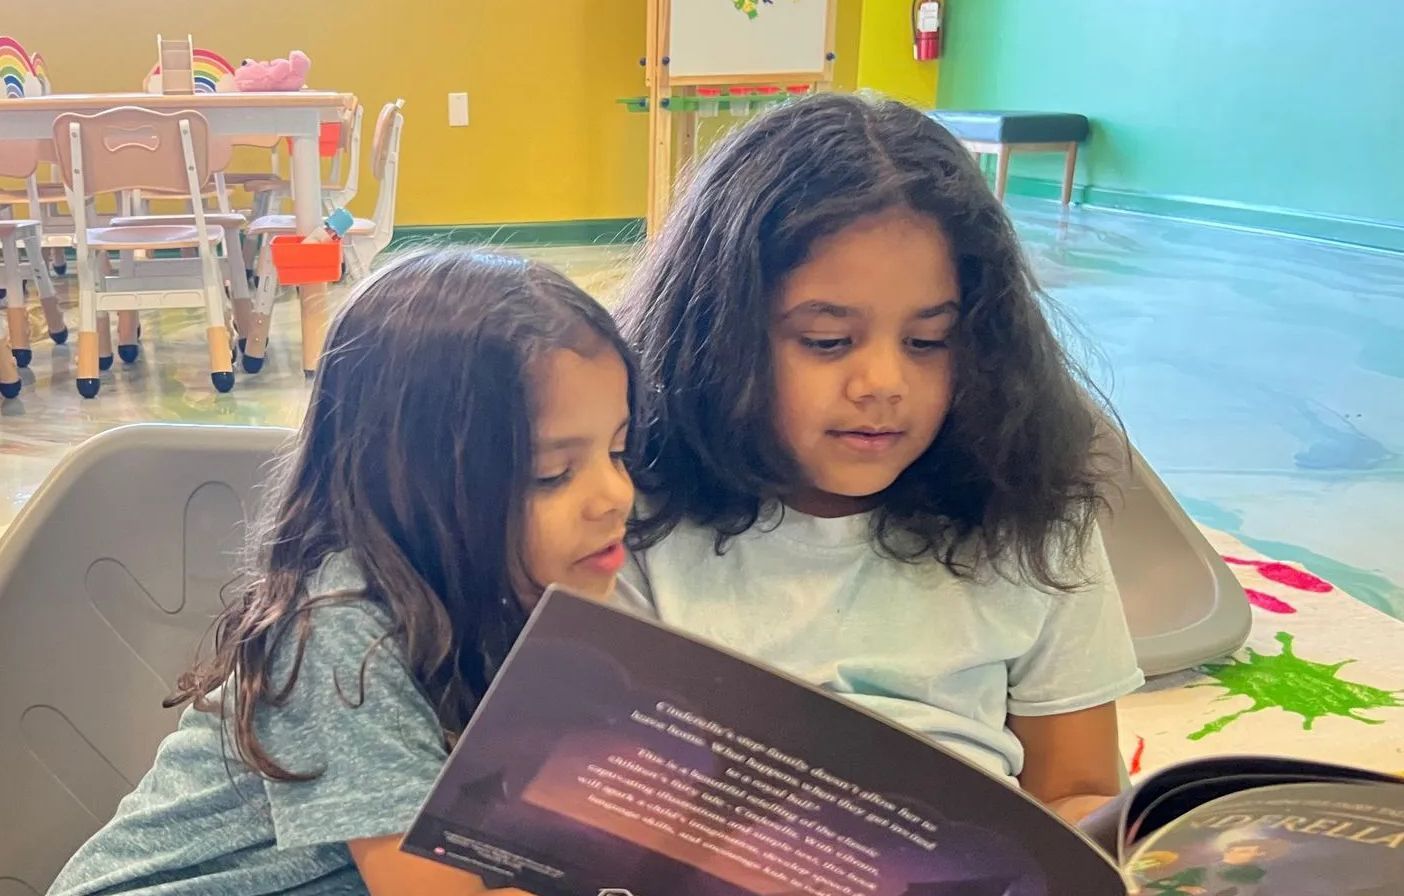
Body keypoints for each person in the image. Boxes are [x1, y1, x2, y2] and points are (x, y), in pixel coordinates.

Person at [616, 93, 1144, 823]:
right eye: (827, 341)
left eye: (928, 342)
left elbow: (1076, 787)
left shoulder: (1029, 515)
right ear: (718, 335)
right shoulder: (631, 512)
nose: (883, 386)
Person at [49, 248, 641, 895]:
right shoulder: (341, 626)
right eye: (551, 474)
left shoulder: (507, 606)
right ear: (421, 485)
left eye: (618, 450)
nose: (615, 494)